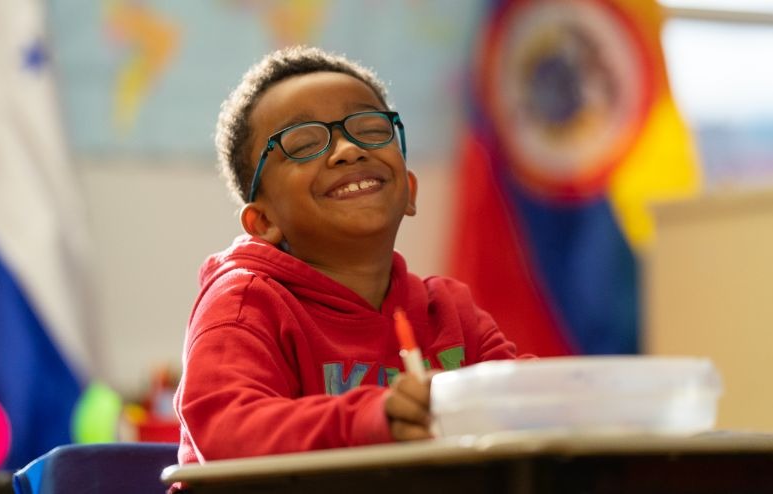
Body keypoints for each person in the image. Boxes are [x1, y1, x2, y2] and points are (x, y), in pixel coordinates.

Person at [174, 45, 519, 464]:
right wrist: (370, 420)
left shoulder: (448, 312)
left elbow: (524, 401)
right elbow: (227, 430)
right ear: (263, 222)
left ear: (409, 190)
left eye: (372, 130)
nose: (348, 150)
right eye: (303, 143)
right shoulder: (245, 305)